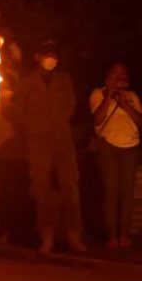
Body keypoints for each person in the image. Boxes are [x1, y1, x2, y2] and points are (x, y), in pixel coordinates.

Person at [16, 39, 86, 254]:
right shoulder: (27, 82)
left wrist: (58, 122)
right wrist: (33, 127)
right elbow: (19, 110)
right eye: (47, 54)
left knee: (70, 186)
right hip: (38, 140)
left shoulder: (64, 79)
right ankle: (46, 236)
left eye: (54, 54)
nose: (51, 58)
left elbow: (71, 105)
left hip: (62, 138)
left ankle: (74, 235)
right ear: (37, 56)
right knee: (41, 187)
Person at [89, 62, 141, 249]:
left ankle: (124, 234)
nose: (119, 78)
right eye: (114, 74)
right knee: (111, 191)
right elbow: (97, 119)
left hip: (131, 146)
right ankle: (112, 236)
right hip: (108, 145)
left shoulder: (132, 96)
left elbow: (139, 121)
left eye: (122, 75)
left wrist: (125, 104)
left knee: (127, 192)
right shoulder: (98, 94)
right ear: (108, 76)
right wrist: (109, 95)